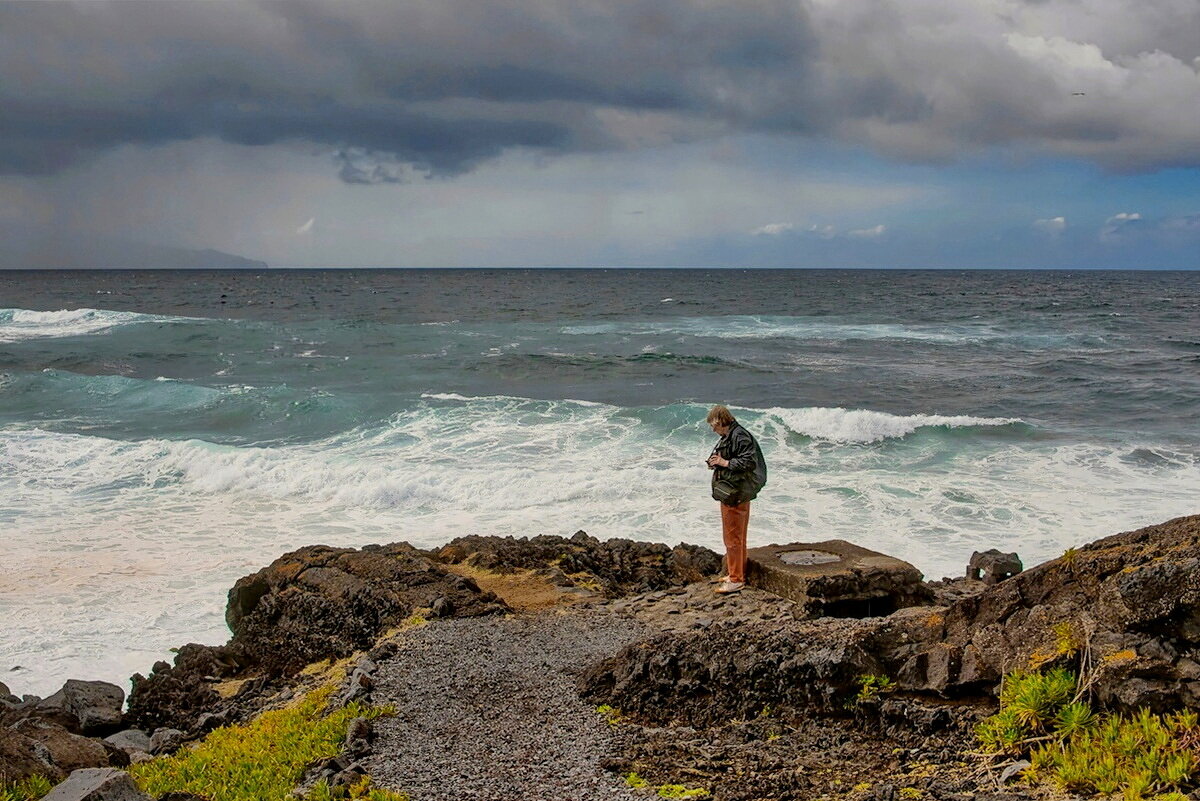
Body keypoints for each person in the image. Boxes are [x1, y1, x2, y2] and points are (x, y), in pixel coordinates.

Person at [705, 405, 767, 594]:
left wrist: (724, 463)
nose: (713, 430)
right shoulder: (732, 435)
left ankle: (736, 579)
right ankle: (736, 572)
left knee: (733, 538)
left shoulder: (739, 435)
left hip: (736, 493)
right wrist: (715, 461)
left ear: (719, 421)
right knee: (737, 537)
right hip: (735, 492)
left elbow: (749, 462)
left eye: (713, 426)